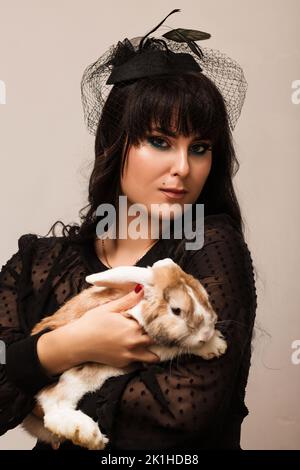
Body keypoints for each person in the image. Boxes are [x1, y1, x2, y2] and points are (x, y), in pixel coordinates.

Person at [0, 10, 257, 450]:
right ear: (114, 146)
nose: (183, 168)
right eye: (159, 141)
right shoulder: (40, 264)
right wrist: (62, 348)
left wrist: (34, 385)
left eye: (200, 148)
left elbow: (178, 417)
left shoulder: (209, 248)